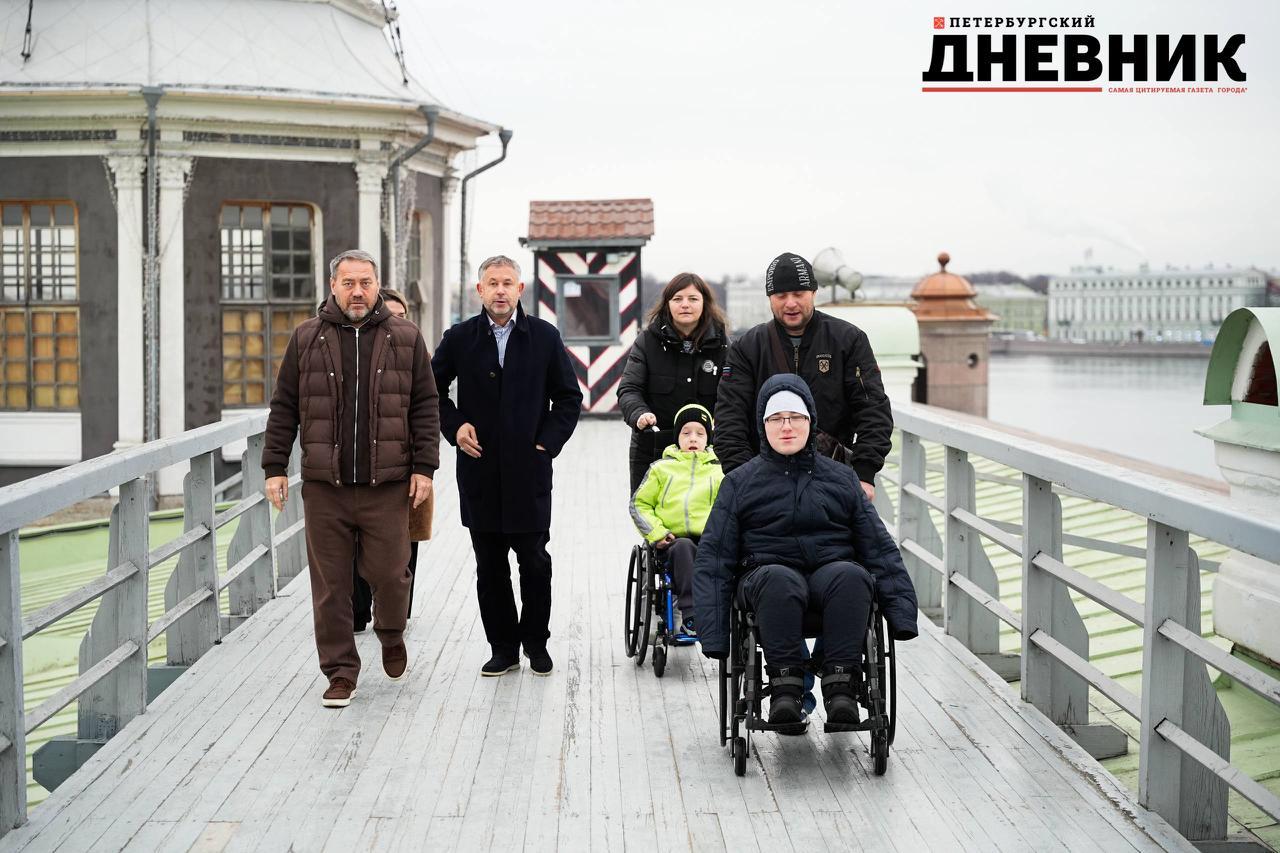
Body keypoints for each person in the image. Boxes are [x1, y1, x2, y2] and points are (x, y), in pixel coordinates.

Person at [263, 250, 438, 708]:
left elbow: (425, 405)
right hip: (326, 487)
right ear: (333, 286)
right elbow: (284, 406)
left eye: (365, 282)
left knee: (391, 574)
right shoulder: (306, 338)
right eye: (348, 283)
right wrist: (275, 467)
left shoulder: (405, 337)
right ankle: (340, 672)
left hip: (388, 485)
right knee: (331, 587)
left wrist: (424, 468)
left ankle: (391, 632)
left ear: (377, 285)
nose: (357, 291)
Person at [693, 374, 918, 727]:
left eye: (795, 417)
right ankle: (786, 687)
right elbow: (714, 558)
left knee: (852, 576)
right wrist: (715, 633)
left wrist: (901, 612)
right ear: (763, 425)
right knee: (777, 580)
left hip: (831, 575)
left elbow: (878, 547)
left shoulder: (842, 478)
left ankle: (841, 686)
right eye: (776, 418)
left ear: (810, 421)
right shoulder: (740, 483)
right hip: (767, 578)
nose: (786, 427)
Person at [432, 254, 582, 677]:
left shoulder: (545, 337)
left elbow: (568, 398)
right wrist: (455, 426)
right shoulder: (459, 338)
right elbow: (429, 390)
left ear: (520, 289)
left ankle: (536, 643)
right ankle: (503, 649)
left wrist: (546, 444)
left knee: (534, 561)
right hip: (478, 470)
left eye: (507, 283)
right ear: (479, 290)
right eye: (492, 283)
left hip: (528, 470)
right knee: (490, 566)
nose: (500, 290)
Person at [713, 252, 893, 500]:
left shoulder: (848, 340)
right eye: (781, 296)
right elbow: (729, 418)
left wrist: (864, 473)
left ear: (814, 293)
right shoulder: (748, 348)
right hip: (763, 482)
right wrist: (742, 476)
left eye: (798, 294)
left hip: (833, 479)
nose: (790, 303)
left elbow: (873, 408)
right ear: (770, 298)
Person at [351, 288, 428, 631]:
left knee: (405, 539)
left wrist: (423, 464)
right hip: (364, 464)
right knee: (357, 540)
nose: (396, 322)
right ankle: (358, 610)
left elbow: (427, 408)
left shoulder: (415, 353)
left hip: (406, 463)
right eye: (390, 315)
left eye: (402, 316)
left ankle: (398, 610)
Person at [617, 272, 729, 494]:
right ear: (667, 304)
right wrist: (639, 414)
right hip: (654, 449)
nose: (685, 304)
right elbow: (629, 389)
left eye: (693, 299)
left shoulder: (722, 346)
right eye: (677, 299)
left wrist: (722, 420)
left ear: (705, 303)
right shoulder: (647, 342)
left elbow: (733, 395)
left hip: (708, 453)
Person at [628, 404, 722, 635]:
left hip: (710, 540)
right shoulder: (661, 469)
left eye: (700, 433)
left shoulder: (719, 471)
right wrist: (657, 533)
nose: (693, 438)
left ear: (708, 438)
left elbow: (728, 508)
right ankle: (691, 615)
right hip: (672, 542)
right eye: (686, 433)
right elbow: (639, 504)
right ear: (677, 437)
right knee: (683, 547)